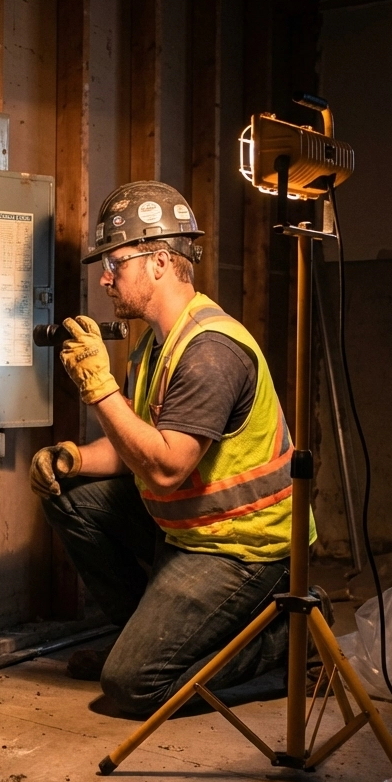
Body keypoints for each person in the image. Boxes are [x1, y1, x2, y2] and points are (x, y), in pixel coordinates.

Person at [32, 180, 317, 717]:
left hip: (245, 549)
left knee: (130, 688)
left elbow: (164, 471)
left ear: (160, 262)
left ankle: (283, 646)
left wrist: (98, 387)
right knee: (68, 496)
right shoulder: (158, 343)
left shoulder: (211, 353)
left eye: (116, 261)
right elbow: (138, 447)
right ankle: (150, 638)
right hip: (190, 533)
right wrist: (73, 458)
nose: (105, 276)